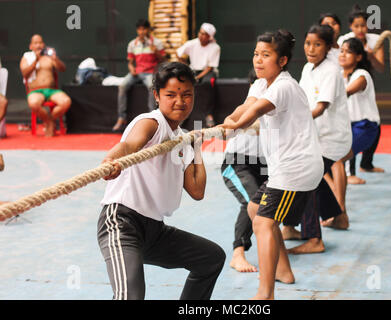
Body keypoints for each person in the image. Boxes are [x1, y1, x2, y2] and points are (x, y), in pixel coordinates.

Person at [98, 62, 225, 300]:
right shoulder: (151, 122)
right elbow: (129, 145)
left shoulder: (181, 138)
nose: (180, 101)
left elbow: (197, 191)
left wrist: (196, 147)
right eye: (171, 95)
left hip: (154, 231)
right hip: (122, 223)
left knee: (211, 258)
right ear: (156, 96)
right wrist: (111, 160)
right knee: (130, 297)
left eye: (187, 94)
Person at [219, 30, 324, 299]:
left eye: (266, 55)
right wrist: (227, 123)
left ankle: (265, 294)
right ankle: (283, 270)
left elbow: (252, 114)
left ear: (283, 61)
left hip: (295, 170)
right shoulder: (262, 84)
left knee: (264, 223)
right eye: (256, 54)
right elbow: (245, 107)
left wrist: (231, 128)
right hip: (282, 169)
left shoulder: (283, 86)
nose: (258, 59)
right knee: (255, 209)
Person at [285, 25, 353, 248]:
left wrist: (295, 122)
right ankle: (339, 217)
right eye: (307, 43)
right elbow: (302, 102)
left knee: (307, 178)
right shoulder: (308, 69)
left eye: (317, 44)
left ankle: (313, 238)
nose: (311, 49)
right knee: (314, 178)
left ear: (328, 47)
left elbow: (320, 107)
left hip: (332, 138)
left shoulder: (331, 72)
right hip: (316, 137)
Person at [221, 70, 268, 273]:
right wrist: (232, 123)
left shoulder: (275, 104)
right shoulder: (248, 105)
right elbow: (228, 126)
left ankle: (289, 230)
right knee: (251, 203)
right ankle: (238, 253)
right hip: (237, 162)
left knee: (273, 200)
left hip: (265, 163)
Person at [338, 5, 385, 177]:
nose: (360, 29)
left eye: (363, 25)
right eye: (356, 26)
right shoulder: (344, 40)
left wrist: (370, 55)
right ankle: (348, 174)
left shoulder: (375, 42)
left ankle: (365, 165)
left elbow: (380, 67)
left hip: (362, 80)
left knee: (372, 123)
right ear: (351, 26)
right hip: (348, 81)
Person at [339, 38, 381, 185]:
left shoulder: (362, 75)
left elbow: (347, 92)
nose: (343, 54)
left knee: (340, 154)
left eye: (348, 52)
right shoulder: (337, 75)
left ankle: (349, 175)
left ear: (358, 57)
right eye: (341, 51)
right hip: (347, 125)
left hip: (366, 126)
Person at [112, 19, 166, 132]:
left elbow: (163, 60)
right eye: (139, 29)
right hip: (136, 73)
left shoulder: (156, 43)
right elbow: (130, 63)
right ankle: (121, 117)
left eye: (144, 29)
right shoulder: (132, 44)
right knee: (122, 86)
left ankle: (153, 117)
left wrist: (155, 51)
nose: (141, 32)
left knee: (152, 88)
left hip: (150, 73)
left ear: (148, 30)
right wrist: (132, 69)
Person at [20, 34, 71, 137]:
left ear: (43, 44)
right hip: (35, 91)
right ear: (31, 46)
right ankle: (48, 122)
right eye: (36, 43)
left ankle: (50, 120)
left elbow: (62, 68)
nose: (38, 45)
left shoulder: (49, 57)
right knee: (34, 103)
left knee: (66, 102)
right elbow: (25, 73)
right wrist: (36, 61)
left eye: (40, 42)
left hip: (51, 90)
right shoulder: (27, 57)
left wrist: (55, 58)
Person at [177, 22, 220, 128]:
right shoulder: (191, 43)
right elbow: (178, 53)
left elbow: (210, 67)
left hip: (207, 72)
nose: (201, 35)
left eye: (204, 34)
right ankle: (183, 114)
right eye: (200, 33)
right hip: (193, 70)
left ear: (209, 37)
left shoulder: (215, 47)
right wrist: (186, 66)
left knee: (208, 83)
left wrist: (197, 78)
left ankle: (209, 115)